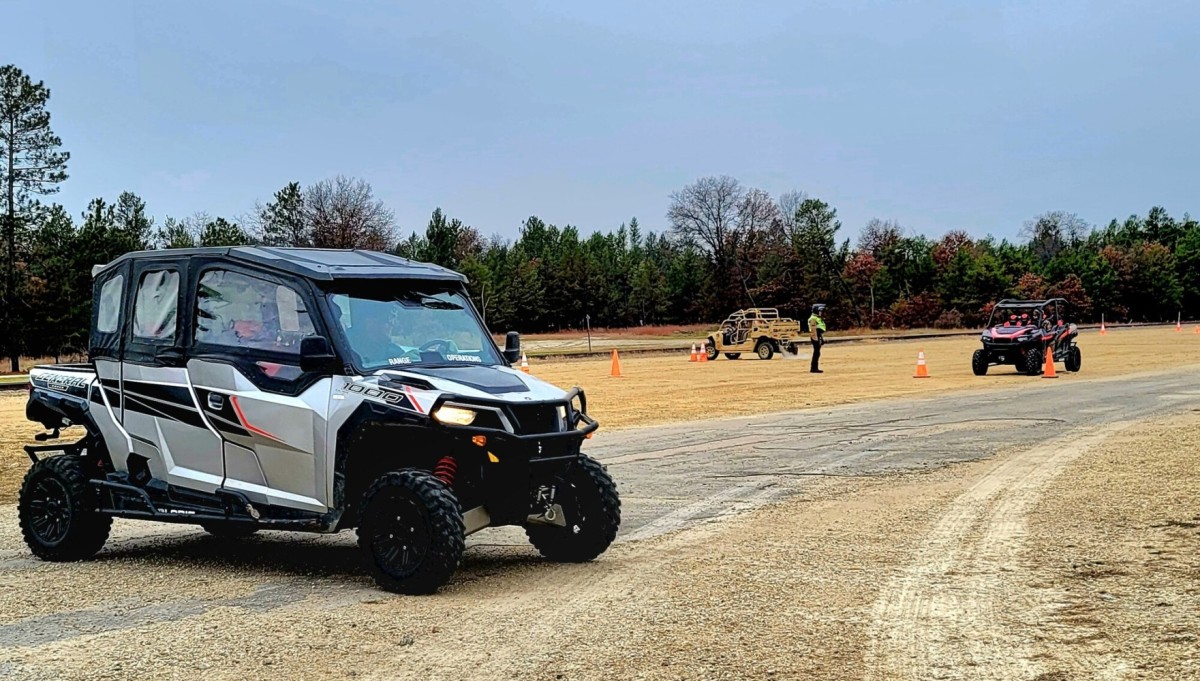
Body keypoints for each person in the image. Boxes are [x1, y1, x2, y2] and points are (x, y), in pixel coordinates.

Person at [808, 303, 827, 374]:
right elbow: (813, 330)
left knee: (817, 352)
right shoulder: (813, 318)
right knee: (816, 352)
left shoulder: (817, 318)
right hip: (815, 336)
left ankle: (815, 367)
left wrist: (821, 339)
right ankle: (814, 368)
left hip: (817, 335)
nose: (821, 313)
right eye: (820, 311)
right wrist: (816, 340)